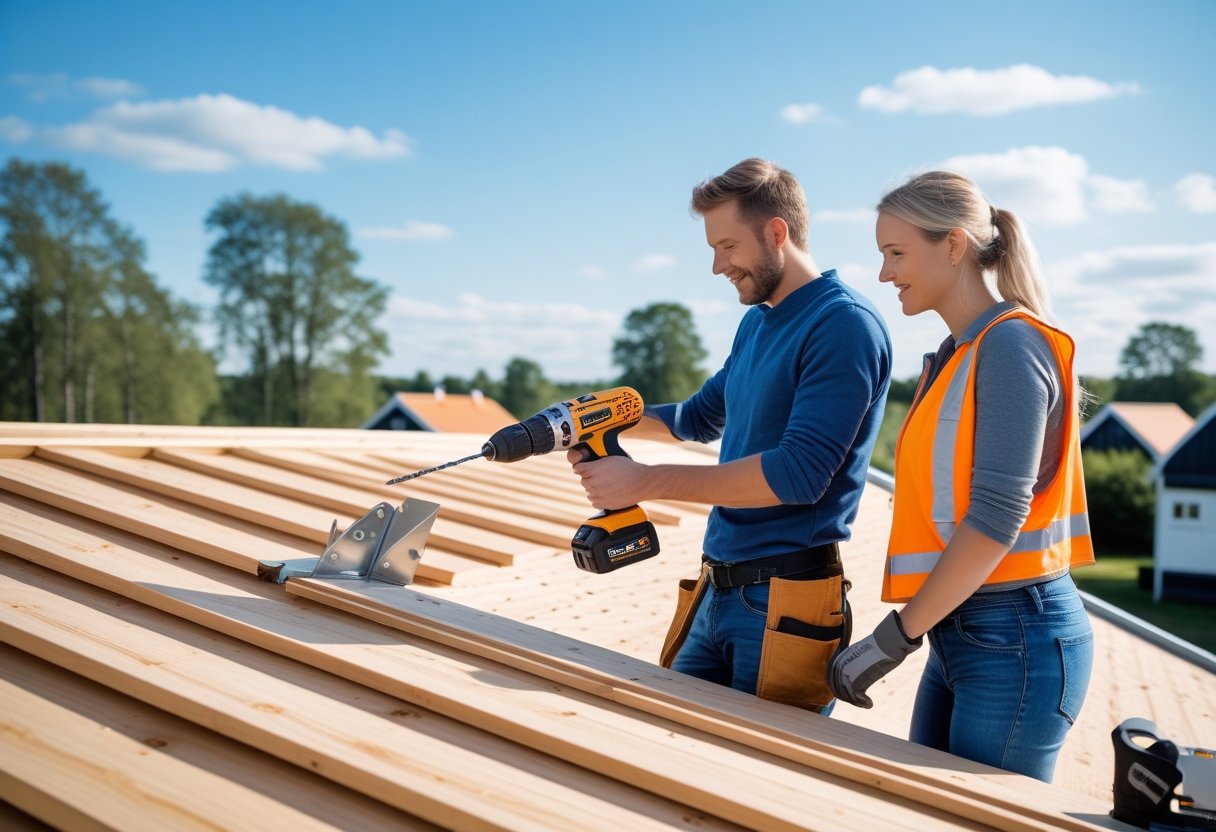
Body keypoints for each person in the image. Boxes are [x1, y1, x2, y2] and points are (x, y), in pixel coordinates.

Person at [570, 158, 892, 712]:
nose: (718, 266)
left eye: (727, 246)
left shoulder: (843, 326)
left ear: (775, 233)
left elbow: (797, 475)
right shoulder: (759, 321)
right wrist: (590, 419)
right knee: (668, 740)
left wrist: (642, 481)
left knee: (767, 774)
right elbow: (699, 417)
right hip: (714, 591)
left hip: (787, 599)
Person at [828, 170, 1095, 782]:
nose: (884, 273)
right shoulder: (958, 355)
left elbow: (997, 517)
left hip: (1016, 636)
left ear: (953, 245)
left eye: (896, 253)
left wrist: (894, 636)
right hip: (966, 631)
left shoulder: (1009, 346)